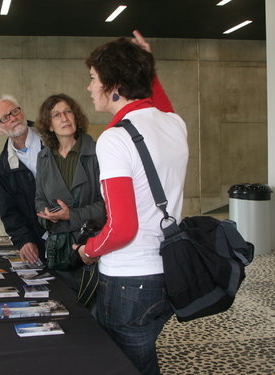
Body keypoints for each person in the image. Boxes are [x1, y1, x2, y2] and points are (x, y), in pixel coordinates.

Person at [76, 31, 189, 375]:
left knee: (128, 366)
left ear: (114, 85)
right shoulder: (174, 124)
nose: (89, 87)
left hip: (128, 279)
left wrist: (89, 249)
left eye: (93, 78)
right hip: (168, 273)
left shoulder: (113, 139)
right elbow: (157, 105)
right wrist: (147, 67)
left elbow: (123, 228)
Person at [34, 93, 105, 296]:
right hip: (59, 250)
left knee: (92, 313)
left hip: (91, 247)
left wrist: (70, 216)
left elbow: (109, 205)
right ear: (49, 125)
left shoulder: (97, 152)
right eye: (56, 115)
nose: (64, 118)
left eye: (68, 111)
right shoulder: (44, 157)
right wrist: (47, 216)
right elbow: (39, 198)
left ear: (76, 117)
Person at [0, 95, 46, 263]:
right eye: (5, 118)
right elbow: (9, 211)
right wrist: (24, 240)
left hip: (75, 237)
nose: (13, 118)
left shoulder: (55, 140)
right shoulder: (2, 168)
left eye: (15, 111)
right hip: (41, 243)